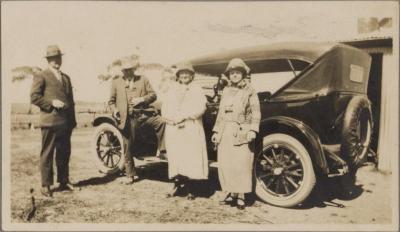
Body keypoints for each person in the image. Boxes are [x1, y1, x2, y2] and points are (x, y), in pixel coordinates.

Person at [211, 58, 261, 210]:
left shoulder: (250, 90)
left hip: (241, 131)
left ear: (243, 74)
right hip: (225, 130)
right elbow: (220, 113)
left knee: (241, 164)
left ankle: (241, 196)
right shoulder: (226, 90)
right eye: (232, 73)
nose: (234, 75)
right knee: (227, 164)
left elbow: (256, 112)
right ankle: (231, 193)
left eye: (237, 72)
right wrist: (216, 131)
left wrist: (253, 129)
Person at [108, 57, 166, 185]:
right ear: (122, 71)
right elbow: (111, 101)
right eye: (125, 70)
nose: (128, 73)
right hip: (128, 118)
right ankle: (130, 174)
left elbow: (153, 95)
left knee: (161, 122)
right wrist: (115, 110)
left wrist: (142, 100)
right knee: (128, 144)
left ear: (134, 70)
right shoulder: (116, 82)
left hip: (145, 115)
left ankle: (162, 151)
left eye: (130, 70)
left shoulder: (143, 80)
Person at [30, 45, 77, 197]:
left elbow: (71, 101)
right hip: (49, 121)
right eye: (53, 58)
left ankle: (63, 181)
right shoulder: (41, 75)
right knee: (47, 153)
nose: (56, 61)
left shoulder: (66, 77)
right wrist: (51, 103)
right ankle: (46, 185)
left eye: (58, 58)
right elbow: (35, 97)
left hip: (65, 123)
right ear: (48, 60)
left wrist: (73, 121)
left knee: (64, 153)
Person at [162, 63, 209, 200]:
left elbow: (201, 107)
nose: (184, 76)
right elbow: (166, 107)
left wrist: (186, 116)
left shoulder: (197, 89)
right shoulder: (171, 90)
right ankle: (177, 186)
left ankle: (192, 189)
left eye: (187, 73)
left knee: (190, 157)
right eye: (181, 73)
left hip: (190, 126)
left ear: (192, 76)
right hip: (174, 127)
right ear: (178, 76)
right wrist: (171, 119)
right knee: (177, 157)